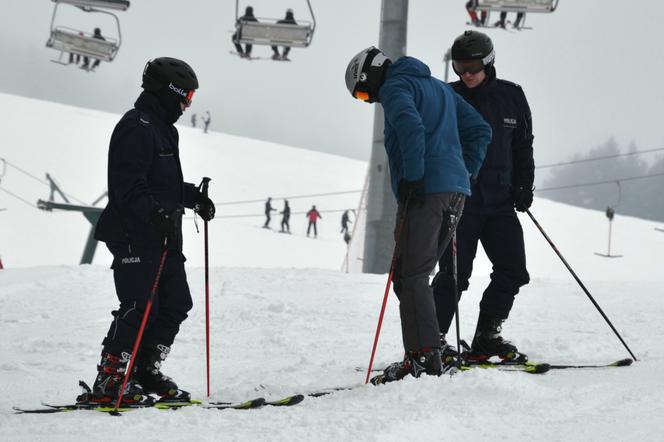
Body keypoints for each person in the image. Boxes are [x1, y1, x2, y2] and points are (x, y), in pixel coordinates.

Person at [344, 47, 491, 383]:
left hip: (426, 192)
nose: (370, 101)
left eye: (365, 93)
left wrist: (414, 175)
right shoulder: (439, 88)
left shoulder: (396, 88)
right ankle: (430, 347)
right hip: (455, 192)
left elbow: (410, 127)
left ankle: (424, 357)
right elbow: (480, 130)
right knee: (414, 274)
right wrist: (462, 172)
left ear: (371, 75)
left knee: (410, 275)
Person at [90, 57, 216, 405]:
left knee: (176, 303)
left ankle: (143, 369)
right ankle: (110, 378)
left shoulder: (162, 130)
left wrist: (193, 197)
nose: (187, 103)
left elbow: (163, 184)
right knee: (139, 305)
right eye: (186, 95)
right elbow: (128, 185)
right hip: (134, 232)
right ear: (169, 90)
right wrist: (155, 214)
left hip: (163, 234)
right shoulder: (137, 126)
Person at [432, 31, 535, 365]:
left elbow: (522, 145)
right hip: (461, 202)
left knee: (513, 270)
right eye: (461, 67)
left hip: (502, 200)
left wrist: (523, 185)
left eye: (473, 67)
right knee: (453, 275)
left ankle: (486, 337)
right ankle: (431, 343)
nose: (467, 74)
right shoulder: (446, 97)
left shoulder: (512, 97)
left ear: (488, 62)